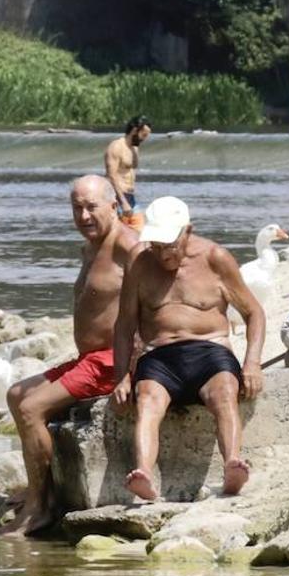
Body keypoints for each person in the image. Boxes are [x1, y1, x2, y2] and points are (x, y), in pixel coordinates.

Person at [0, 175, 143, 537]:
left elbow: (153, 307)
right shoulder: (90, 247)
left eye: (91, 206)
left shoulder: (130, 247)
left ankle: (39, 508)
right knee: (17, 394)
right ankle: (40, 490)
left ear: (114, 205)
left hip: (113, 361)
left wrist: (131, 372)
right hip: (89, 359)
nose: (83, 216)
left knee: (32, 408)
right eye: (76, 207)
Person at [110, 196, 265, 501]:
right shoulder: (140, 262)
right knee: (148, 399)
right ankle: (143, 474)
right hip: (159, 356)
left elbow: (254, 313)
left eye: (169, 244)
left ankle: (232, 465)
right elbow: (125, 323)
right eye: (156, 244)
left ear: (188, 231)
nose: (162, 252)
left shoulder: (215, 258)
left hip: (210, 352)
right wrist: (120, 376)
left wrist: (252, 363)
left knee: (223, 392)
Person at [104, 115, 152, 219]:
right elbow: (111, 176)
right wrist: (123, 203)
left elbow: (132, 168)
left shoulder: (134, 148)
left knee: (140, 231)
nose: (144, 139)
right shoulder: (116, 147)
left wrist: (135, 149)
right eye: (143, 135)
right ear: (135, 130)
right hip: (117, 198)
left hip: (130, 196)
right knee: (120, 234)